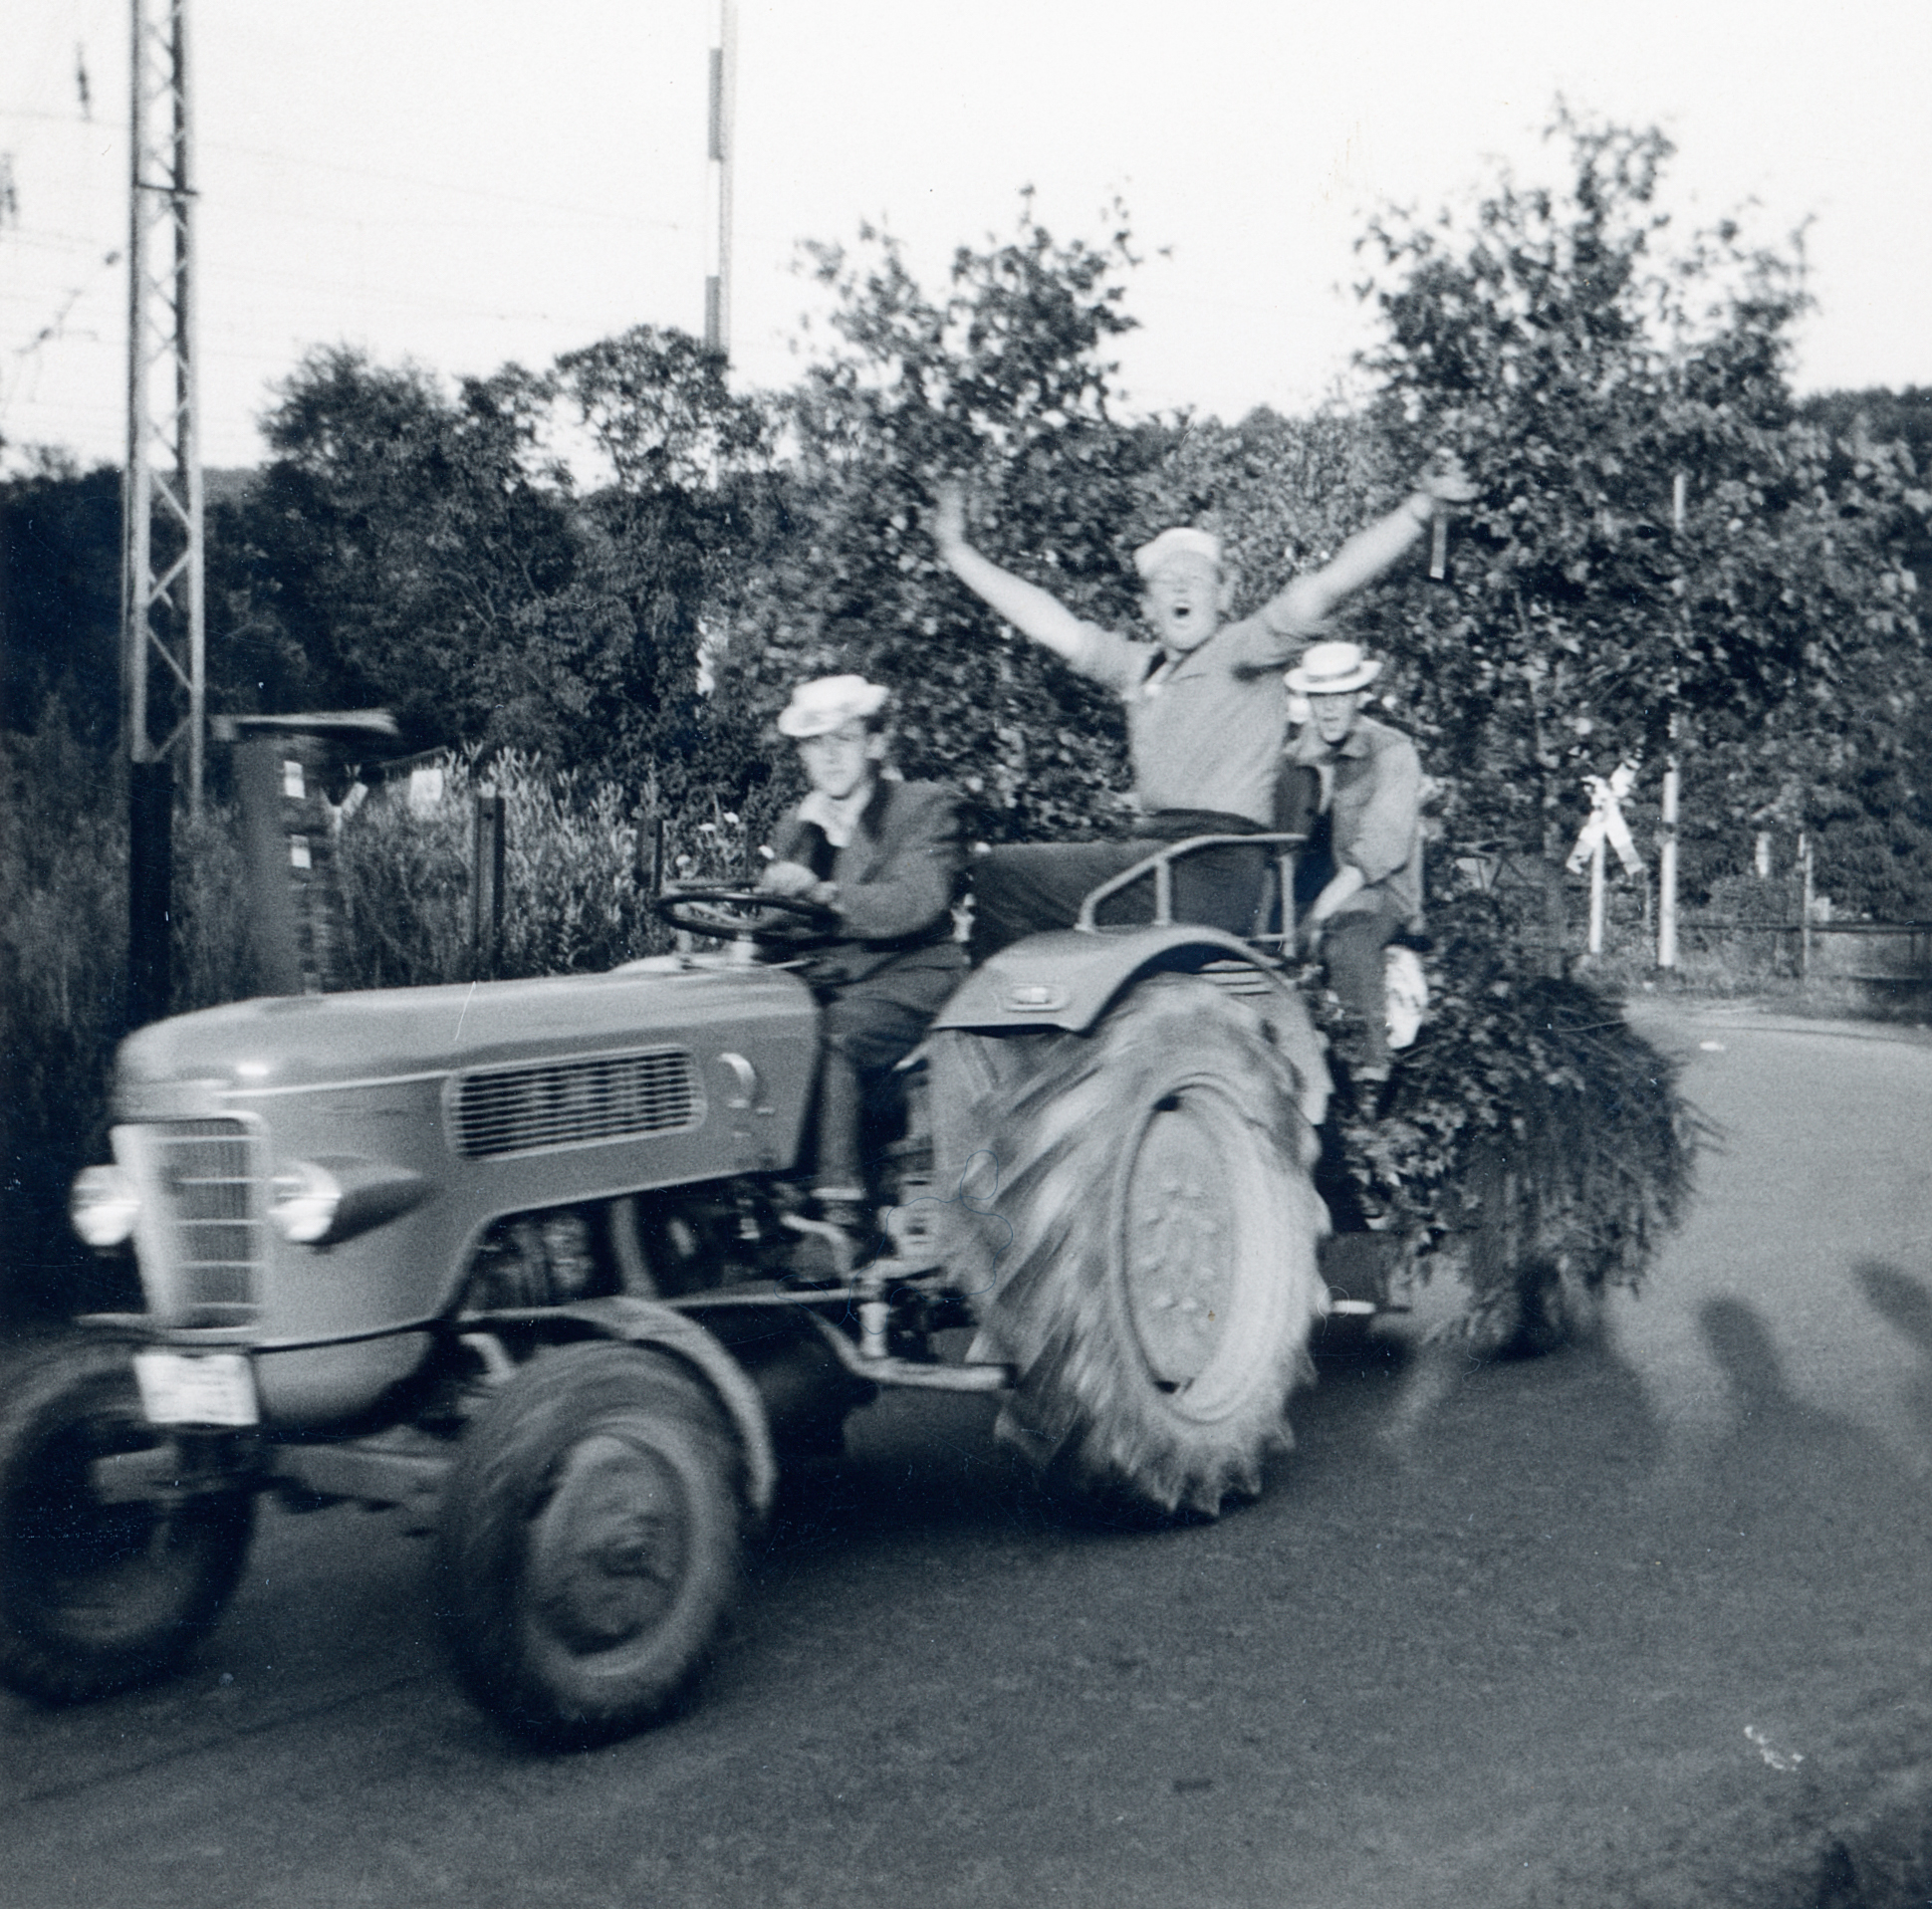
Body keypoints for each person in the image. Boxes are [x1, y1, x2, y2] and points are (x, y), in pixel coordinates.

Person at [931, 460, 1471, 957]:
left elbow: (1327, 586)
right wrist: (958, 552)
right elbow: (1050, 623)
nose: (1182, 587)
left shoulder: (1242, 650)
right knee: (1012, 883)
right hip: (1155, 857)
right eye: (1167, 581)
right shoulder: (1138, 667)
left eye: (1197, 577)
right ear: (1147, 607)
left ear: (1224, 595)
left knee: (1003, 875)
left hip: (1210, 869)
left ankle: (990, 1022)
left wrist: (1418, 511)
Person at [757, 674, 967, 1242]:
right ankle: (758, 1201)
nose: (828, 757)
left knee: (833, 1036)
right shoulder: (796, 827)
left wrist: (822, 893)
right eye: (814, 743)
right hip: (830, 980)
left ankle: (839, 1216)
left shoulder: (924, 808)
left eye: (844, 740)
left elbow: (915, 901)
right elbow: (779, 927)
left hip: (913, 975)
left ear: (875, 744)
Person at [1284, 640, 1425, 1083]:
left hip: (1375, 894)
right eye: (1319, 697)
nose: (1329, 709)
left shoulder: (1392, 752)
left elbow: (1378, 852)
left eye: (1340, 696)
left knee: (1348, 944)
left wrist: (1317, 917)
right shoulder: (1294, 757)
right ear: (1308, 700)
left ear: (1359, 696)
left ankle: (1373, 1069)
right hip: (1306, 895)